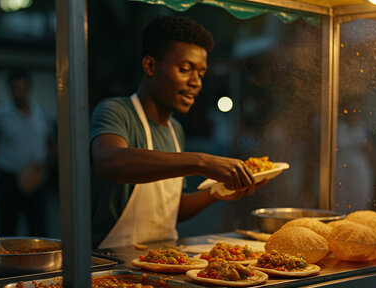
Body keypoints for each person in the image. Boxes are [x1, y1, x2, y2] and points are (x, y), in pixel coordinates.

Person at [89, 16, 263, 249]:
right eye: (185, 69)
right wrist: (201, 162)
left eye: (200, 74)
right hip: (110, 265)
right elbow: (109, 161)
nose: (196, 82)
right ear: (150, 66)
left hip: (164, 259)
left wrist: (218, 192)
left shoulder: (175, 130)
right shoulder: (116, 111)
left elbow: (171, 210)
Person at [0, 70, 54, 236]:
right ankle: (8, 261)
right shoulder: (1, 113)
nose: (19, 92)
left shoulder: (41, 113)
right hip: (9, 176)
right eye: (15, 88)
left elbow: (50, 141)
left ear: (29, 88)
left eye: (22, 88)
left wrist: (47, 163)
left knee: (38, 227)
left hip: (35, 177)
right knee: (8, 226)